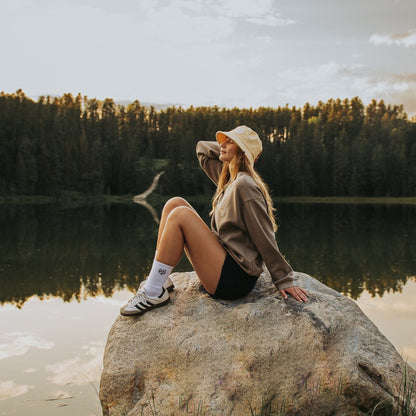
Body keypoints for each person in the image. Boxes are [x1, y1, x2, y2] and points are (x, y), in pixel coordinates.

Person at [120, 125, 308, 316]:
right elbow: (202, 149)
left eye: (230, 142)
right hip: (224, 260)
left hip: (234, 279)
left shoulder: (245, 185)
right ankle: (160, 280)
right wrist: (230, 148)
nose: (222, 144)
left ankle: (153, 292)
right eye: (223, 141)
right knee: (174, 204)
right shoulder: (229, 179)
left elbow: (264, 233)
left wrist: (283, 278)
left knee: (181, 215)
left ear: (243, 152)